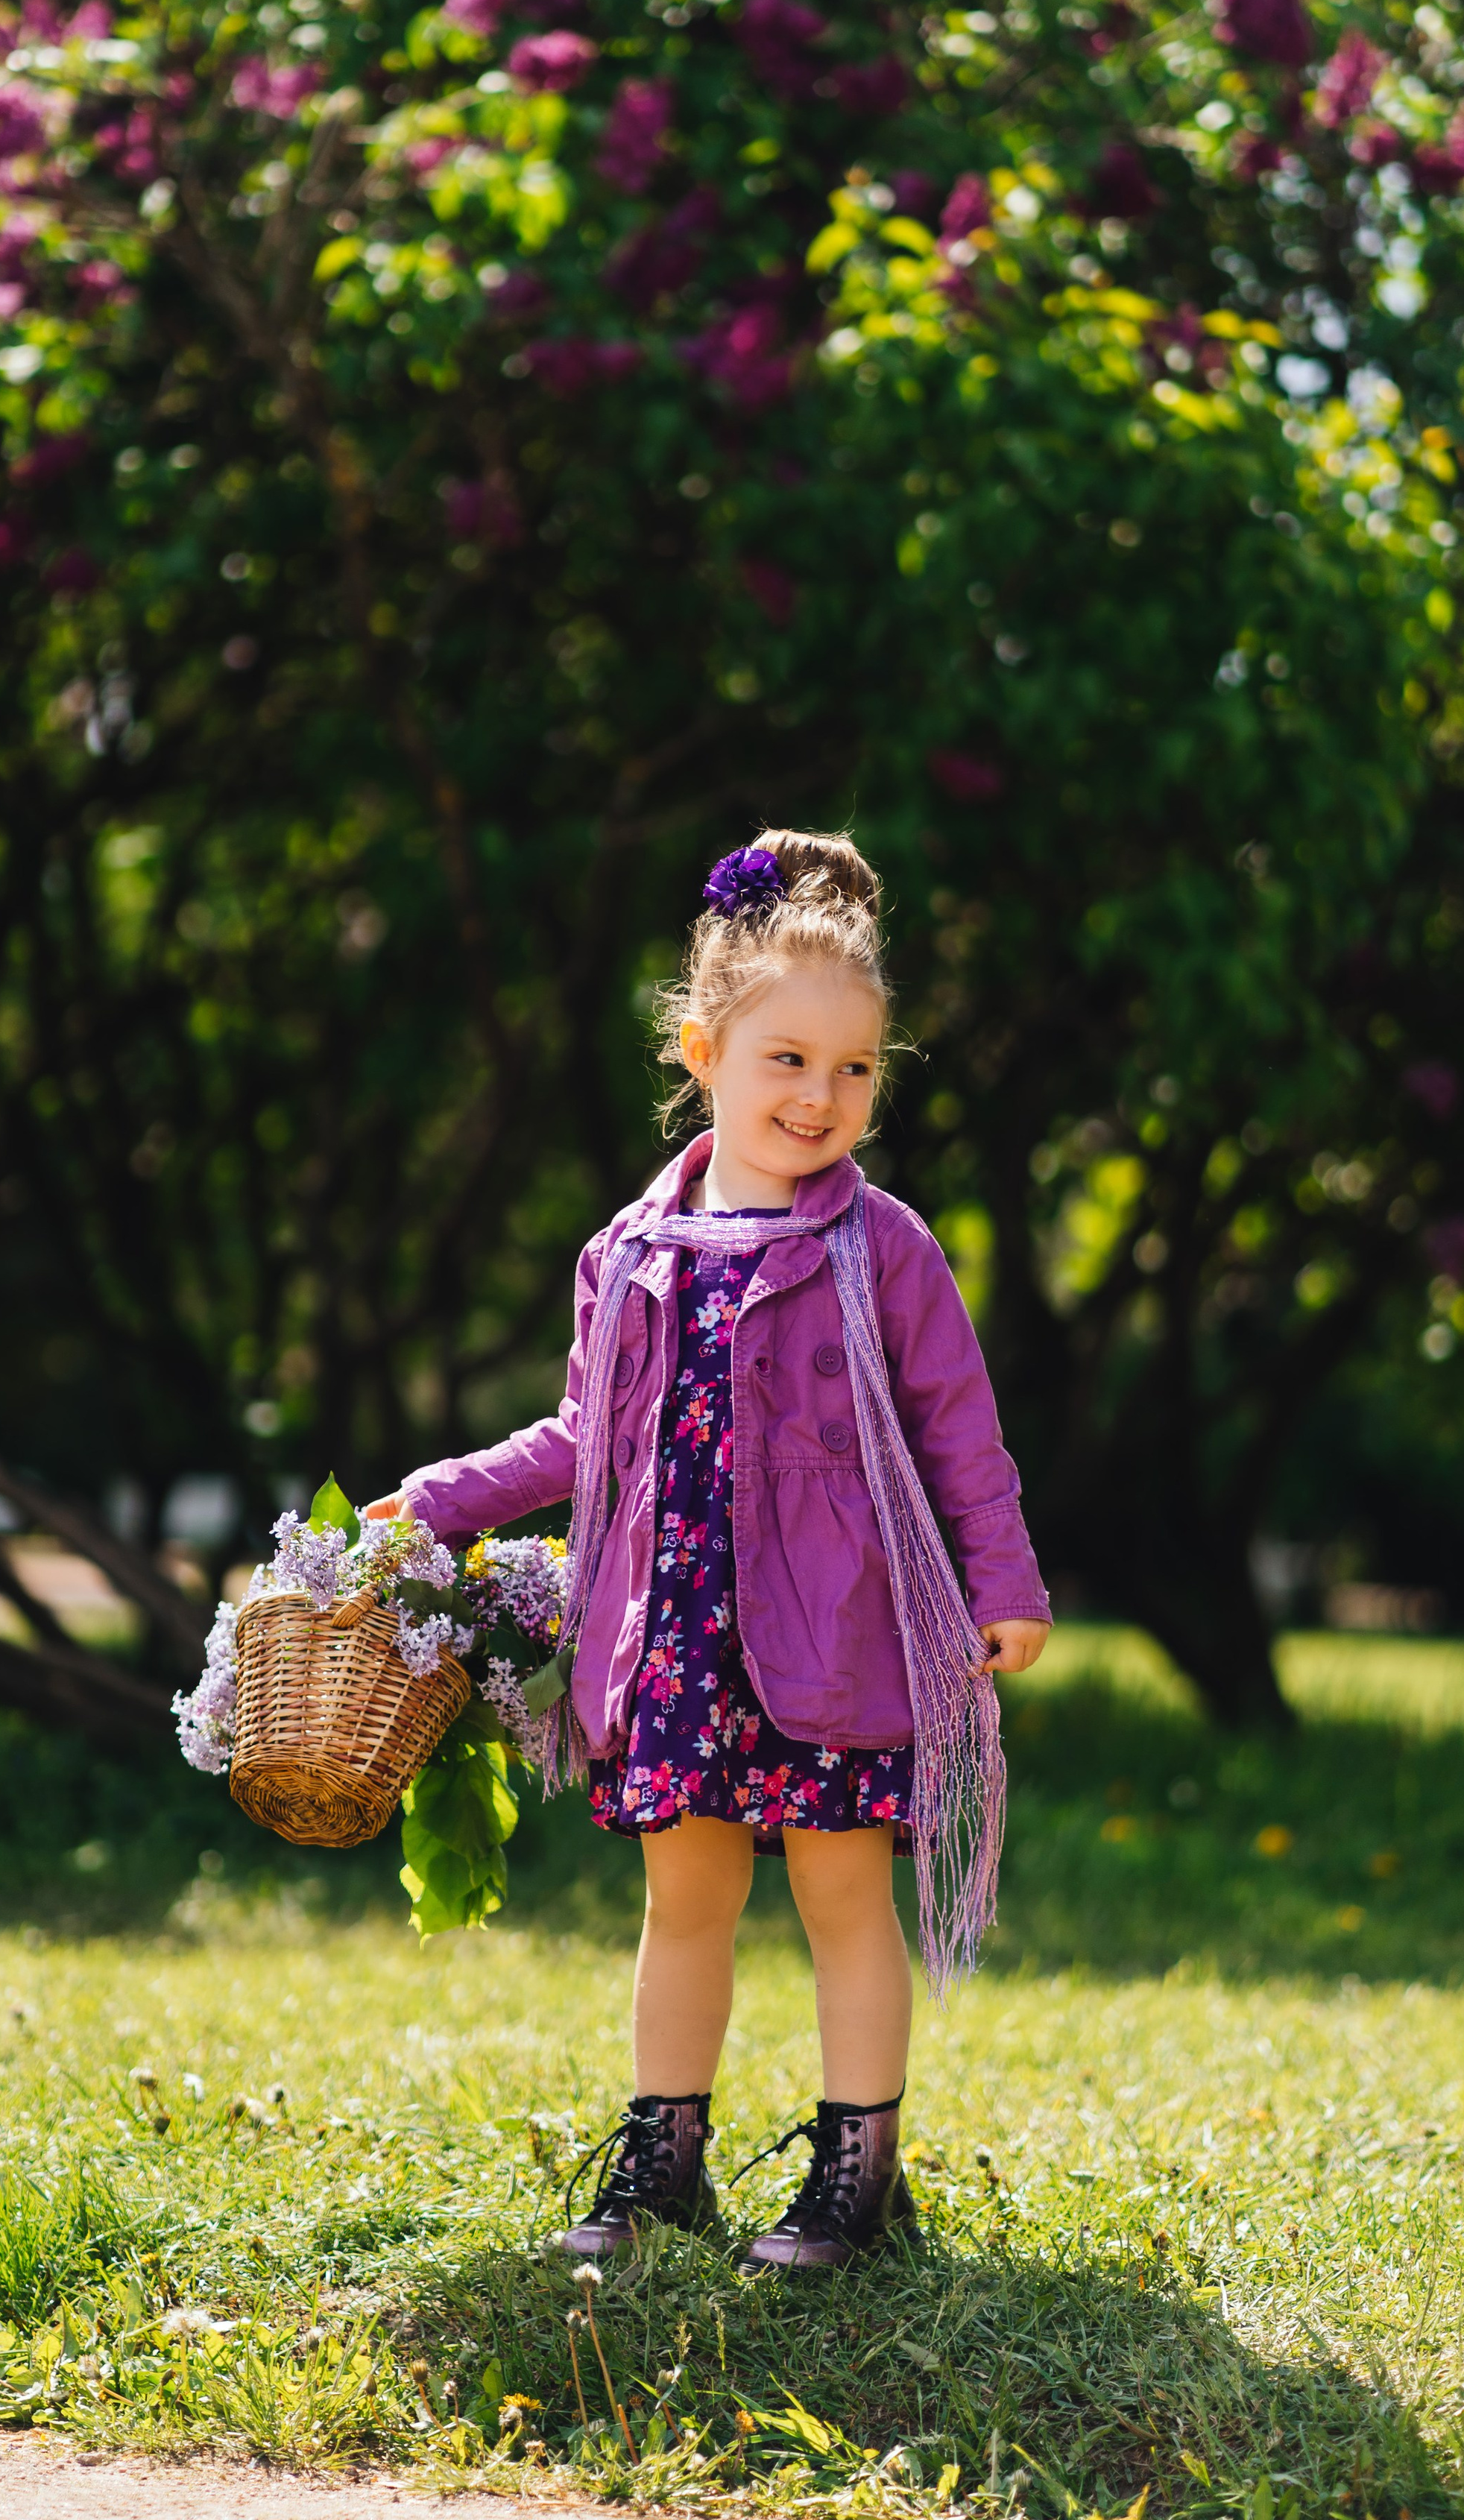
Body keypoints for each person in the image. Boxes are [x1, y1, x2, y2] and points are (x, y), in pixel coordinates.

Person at [365, 829, 1049, 2268]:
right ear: (704, 1048)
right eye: (787, 1059)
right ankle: (662, 2164)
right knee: (688, 1896)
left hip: (834, 1636)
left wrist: (1005, 1585)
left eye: (854, 1069)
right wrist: (441, 1498)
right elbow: (579, 1441)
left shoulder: (885, 1251)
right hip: (673, 1634)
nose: (821, 1094)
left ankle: (860, 2178)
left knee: (841, 1889)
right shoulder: (629, 1254)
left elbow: (959, 1432)